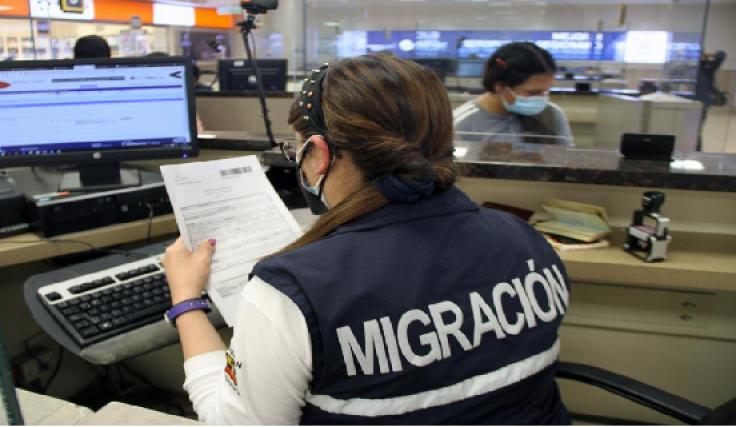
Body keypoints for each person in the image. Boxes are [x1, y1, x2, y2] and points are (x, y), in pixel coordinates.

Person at [162, 53, 571, 424]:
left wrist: (187, 301)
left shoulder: (291, 291)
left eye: (298, 151)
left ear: (319, 154)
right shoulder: (526, 240)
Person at [454, 42, 573, 146]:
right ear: (500, 86)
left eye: (546, 91)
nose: (542, 99)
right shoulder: (461, 124)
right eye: (533, 92)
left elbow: (566, 161)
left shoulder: (551, 115)